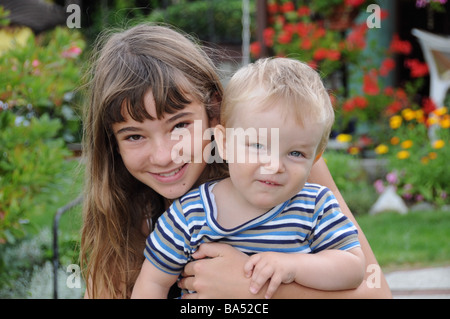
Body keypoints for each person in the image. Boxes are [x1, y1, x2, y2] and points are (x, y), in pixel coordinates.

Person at [80, 23, 392, 299]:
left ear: (214, 111)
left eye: (179, 125)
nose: (163, 155)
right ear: (113, 144)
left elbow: (375, 293)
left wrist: (257, 291)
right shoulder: (124, 214)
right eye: (134, 136)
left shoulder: (284, 163)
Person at [131, 57, 366, 299]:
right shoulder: (190, 215)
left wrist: (293, 267)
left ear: (315, 158)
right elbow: (153, 283)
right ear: (223, 142)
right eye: (257, 145)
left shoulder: (314, 206)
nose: (275, 165)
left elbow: (353, 267)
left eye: (296, 153)